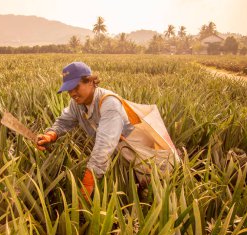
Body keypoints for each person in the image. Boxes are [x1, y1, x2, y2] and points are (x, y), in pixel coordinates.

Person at [37, 61, 179, 201]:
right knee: (126, 187)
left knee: (153, 193)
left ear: (91, 82)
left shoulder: (109, 103)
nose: (72, 93)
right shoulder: (77, 104)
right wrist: (51, 134)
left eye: (76, 87)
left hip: (142, 154)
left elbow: (104, 144)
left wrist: (89, 180)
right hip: (121, 155)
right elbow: (64, 121)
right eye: (69, 89)